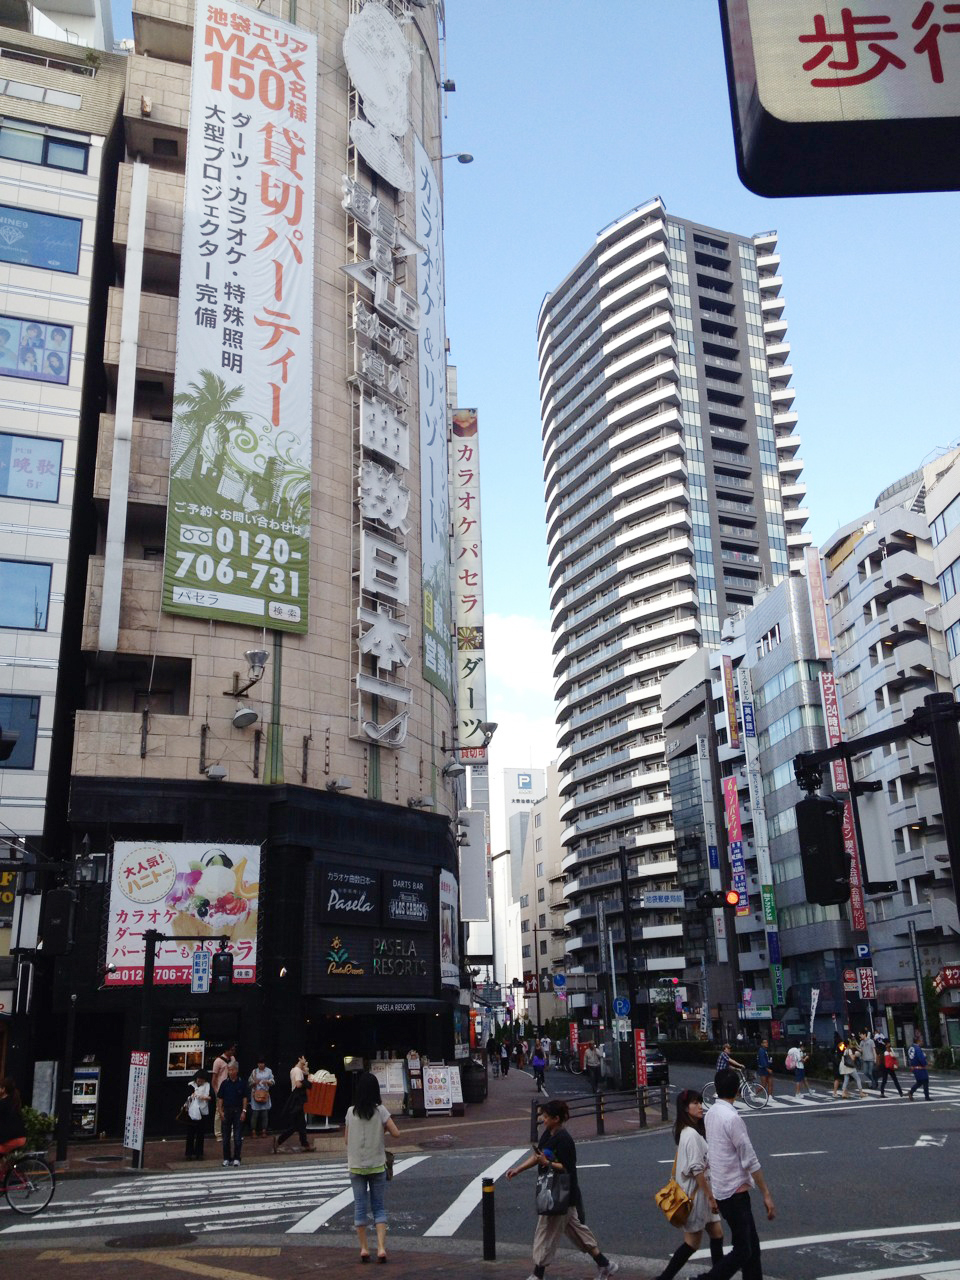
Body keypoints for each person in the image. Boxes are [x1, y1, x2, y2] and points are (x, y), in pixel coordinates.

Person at [506, 1099, 619, 1280]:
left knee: (546, 1231)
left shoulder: (564, 1140)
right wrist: (518, 1169)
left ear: (556, 1119)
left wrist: (548, 1163)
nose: (543, 1119)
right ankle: (605, 1264)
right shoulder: (548, 1134)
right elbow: (537, 1156)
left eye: (546, 1116)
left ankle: (537, 1274)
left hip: (560, 1193)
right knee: (577, 1232)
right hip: (557, 1192)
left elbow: (567, 1167)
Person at [692, 1068, 775, 1280]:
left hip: (722, 1189)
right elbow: (749, 1158)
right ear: (737, 1091)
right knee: (743, 1249)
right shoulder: (732, 1119)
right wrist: (766, 1193)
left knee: (752, 1247)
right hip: (735, 1192)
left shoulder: (711, 1115)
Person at [654, 1089, 725, 1280]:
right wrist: (711, 1197)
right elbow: (696, 1169)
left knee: (717, 1233)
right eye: (695, 1103)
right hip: (695, 1196)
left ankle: (716, 1276)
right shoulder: (690, 1135)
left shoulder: (690, 1131)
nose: (700, 1106)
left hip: (700, 1193)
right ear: (686, 1108)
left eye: (700, 1102)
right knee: (692, 1243)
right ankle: (664, 1278)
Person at [345, 1071, 401, 1263]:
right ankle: (382, 1248)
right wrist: (381, 1129)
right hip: (377, 1166)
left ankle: (363, 1248)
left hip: (356, 1166)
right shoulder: (381, 1111)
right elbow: (396, 1133)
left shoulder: (350, 1112)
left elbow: (346, 1139)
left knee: (360, 1208)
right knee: (379, 1207)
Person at [273, 1054, 311, 1152]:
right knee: (297, 1125)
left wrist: (305, 1069)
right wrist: (307, 1082)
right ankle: (279, 1140)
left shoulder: (294, 1070)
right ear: (299, 1059)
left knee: (301, 1124)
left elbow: (305, 1073)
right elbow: (298, 1084)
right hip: (297, 1099)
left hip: (296, 1099)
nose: (305, 1060)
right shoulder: (297, 1071)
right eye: (303, 1059)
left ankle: (305, 1144)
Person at [217, 1059, 248, 1166]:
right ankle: (226, 1158)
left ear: (236, 1071)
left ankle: (237, 1158)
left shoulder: (242, 1083)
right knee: (225, 1137)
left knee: (237, 1136)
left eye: (232, 1070)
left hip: (238, 1110)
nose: (230, 1072)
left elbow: (245, 1098)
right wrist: (220, 1111)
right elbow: (220, 1098)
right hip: (227, 1110)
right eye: (229, 1070)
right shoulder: (224, 1083)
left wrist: (244, 1111)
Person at [211, 1044, 236, 1140]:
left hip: (232, 1088)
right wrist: (216, 1091)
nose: (233, 1052)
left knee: (233, 1110)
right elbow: (214, 1078)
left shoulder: (233, 1059)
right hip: (221, 1089)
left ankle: (232, 1133)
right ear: (226, 1050)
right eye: (231, 1050)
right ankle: (218, 1134)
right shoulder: (218, 1061)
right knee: (219, 1112)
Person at [184, 1069, 210, 1161]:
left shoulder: (207, 1085)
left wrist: (199, 1096)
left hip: (202, 1111)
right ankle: (189, 1153)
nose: (200, 1081)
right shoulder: (190, 1085)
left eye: (202, 1080)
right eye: (199, 1079)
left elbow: (208, 1096)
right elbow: (187, 1098)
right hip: (191, 1112)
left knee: (200, 1134)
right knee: (190, 1133)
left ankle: (199, 1153)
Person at [248, 1055, 275, 1137]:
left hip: (265, 1094)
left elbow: (273, 1081)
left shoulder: (269, 1071)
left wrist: (267, 1081)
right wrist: (254, 1082)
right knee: (255, 1114)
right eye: (259, 1063)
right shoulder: (254, 1071)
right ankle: (253, 1131)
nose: (261, 1065)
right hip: (256, 1093)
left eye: (262, 1063)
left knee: (264, 1113)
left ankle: (264, 1131)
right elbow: (249, 1082)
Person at [0, 1077, 26, 1160]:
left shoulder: (3, 1103)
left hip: (12, 1139)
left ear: (3, 1089)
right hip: (19, 1137)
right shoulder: (12, 1101)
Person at [907, 1035, 930, 1101]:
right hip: (920, 1067)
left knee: (919, 1082)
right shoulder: (917, 1048)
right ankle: (927, 1097)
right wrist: (925, 1063)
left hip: (914, 1067)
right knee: (925, 1080)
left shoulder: (910, 1048)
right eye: (921, 1040)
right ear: (918, 1041)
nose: (922, 1041)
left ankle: (911, 1092)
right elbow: (921, 1058)